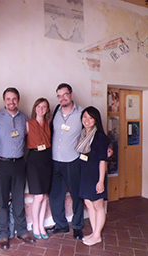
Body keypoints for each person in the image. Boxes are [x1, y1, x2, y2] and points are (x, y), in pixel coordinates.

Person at [0, 87, 35, 250]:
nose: (11, 102)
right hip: (2, 163)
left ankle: (22, 231)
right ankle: (3, 234)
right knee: (2, 200)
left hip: (19, 163)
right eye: (8, 99)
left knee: (18, 199)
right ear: (4, 101)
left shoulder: (24, 118)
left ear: (18, 100)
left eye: (14, 98)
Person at [47, 83, 85, 240]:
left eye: (65, 94)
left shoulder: (82, 113)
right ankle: (61, 225)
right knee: (55, 195)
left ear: (71, 95)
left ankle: (77, 226)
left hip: (72, 161)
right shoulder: (55, 111)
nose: (62, 98)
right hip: (55, 161)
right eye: (59, 95)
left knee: (77, 195)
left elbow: (92, 133)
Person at [75, 106, 109, 246]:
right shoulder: (83, 134)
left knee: (98, 205)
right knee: (88, 203)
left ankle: (97, 235)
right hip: (85, 174)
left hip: (96, 175)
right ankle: (94, 232)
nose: (87, 120)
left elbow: (103, 161)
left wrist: (101, 181)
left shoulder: (100, 137)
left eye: (90, 117)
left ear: (96, 120)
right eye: (85, 117)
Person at [26, 98, 52, 240]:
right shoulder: (28, 124)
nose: (41, 109)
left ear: (47, 109)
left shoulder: (49, 124)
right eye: (39, 106)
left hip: (47, 159)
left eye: (44, 107)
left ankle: (41, 225)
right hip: (34, 160)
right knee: (38, 196)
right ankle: (35, 225)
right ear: (35, 108)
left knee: (45, 196)